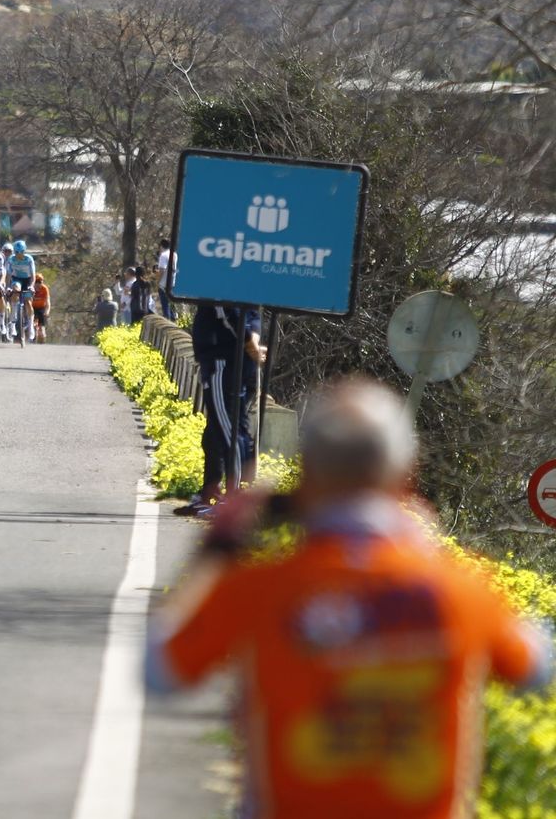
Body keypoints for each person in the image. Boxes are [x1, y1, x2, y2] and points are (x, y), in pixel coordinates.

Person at [147, 377, 553, 818]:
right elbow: (535, 667)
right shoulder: (460, 588)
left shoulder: (259, 587)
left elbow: (159, 673)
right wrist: (425, 547)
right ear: (405, 478)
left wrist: (216, 552)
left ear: (306, 476)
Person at [177, 304, 263, 516]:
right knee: (215, 434)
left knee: (230, 433)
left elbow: (230, 312)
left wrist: (249, 342)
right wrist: (252, 340)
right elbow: (252, 315)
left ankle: (235, 500)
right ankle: (211, 494)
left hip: (223, 362)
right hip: (229, 360)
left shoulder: (223, 288)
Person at [155, 237, 177, 320]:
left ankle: (167, 321)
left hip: (163, 284)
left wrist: (158, 281)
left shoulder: (163, 255)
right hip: (172, 283)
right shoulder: (174, 254)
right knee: (171, 306)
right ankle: (174, 321)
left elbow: (162, 270)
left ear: (161, 246)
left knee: (165, 307)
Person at [29, 274, 51, 343]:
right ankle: (32, 336)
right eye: (36, 282)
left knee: (42, 328)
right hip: (32, 308)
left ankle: (42, 339)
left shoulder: (44, 289)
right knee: (33, 324)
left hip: (41, 308)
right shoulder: (31, 289)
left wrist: (47, 311)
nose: (38, 284)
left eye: (40, 282)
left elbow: (48, 301)